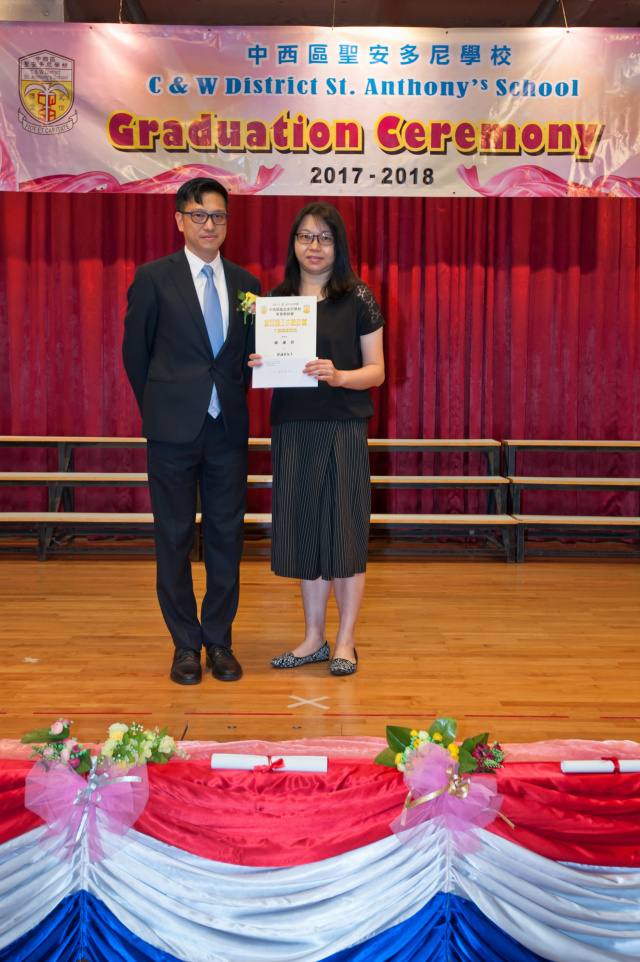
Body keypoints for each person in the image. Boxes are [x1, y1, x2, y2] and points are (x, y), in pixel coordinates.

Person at [122, 177, 260, 685]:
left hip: (227, 432)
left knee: (226, 537)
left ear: (227, 222)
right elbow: (134, 353)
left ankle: (219, 640)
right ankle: (185, 644)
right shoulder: (154, 277)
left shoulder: (248, 284)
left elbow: (249, 357)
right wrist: (160, 409)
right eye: (199, 215)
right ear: (180, 219)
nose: (209, 224)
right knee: (174, 537)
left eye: (218, 215)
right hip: (171, 432)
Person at [250, 202, 384, 676]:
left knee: (344, 534)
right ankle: (313, 639)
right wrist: (259, 362)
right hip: (293, 429)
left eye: (325, 238)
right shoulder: (277, 301)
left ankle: (345, 641)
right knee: (305, 532)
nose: (314, 246)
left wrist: (340, 375)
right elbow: (266, 362)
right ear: (293, 243)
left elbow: (377, 371)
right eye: (306, 236)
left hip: (342, 427)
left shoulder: (358, 297)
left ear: (338, 246)